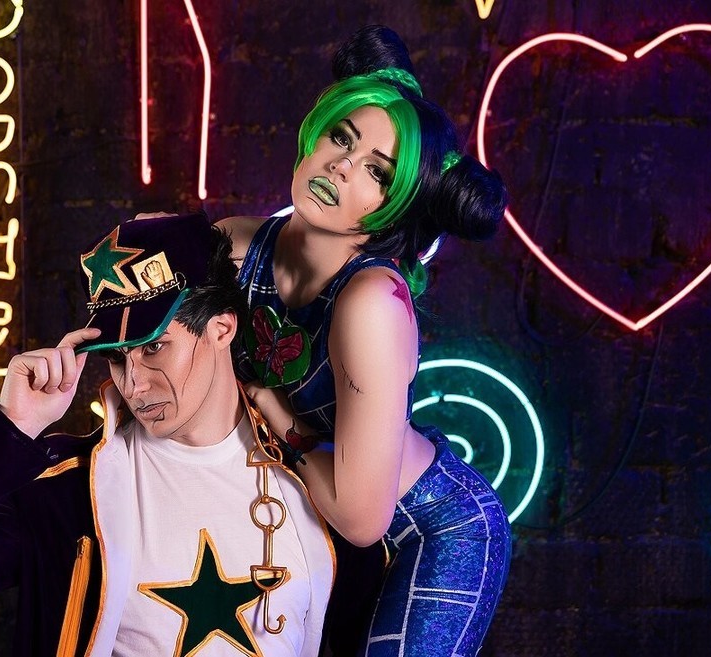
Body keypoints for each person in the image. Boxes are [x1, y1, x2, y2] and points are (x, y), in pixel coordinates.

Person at [0, 214, 336, 656]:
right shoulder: (69, 489)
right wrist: (11, 430)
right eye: (116, 357)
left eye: (154, 347)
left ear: (221, 328)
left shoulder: (312, 477)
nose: (134, 384)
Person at [217, 26, 513, 657]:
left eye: (377, 172)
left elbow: (360, 517)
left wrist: (270, 410)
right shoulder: (236, 247)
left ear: (395, 206)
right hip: (305, 506)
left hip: (425, 534)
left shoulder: (371, 303)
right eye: (342, 138)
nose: (342, 166)